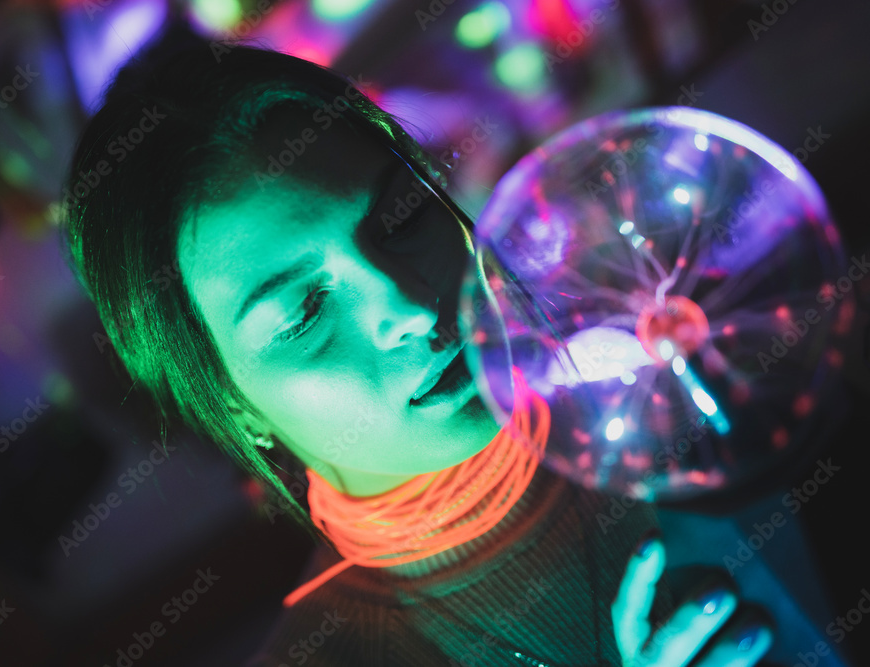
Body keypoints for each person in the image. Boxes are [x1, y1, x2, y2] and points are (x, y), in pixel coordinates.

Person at [60, 22, 777, 666]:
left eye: (400, 216)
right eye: (304, 311)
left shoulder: (686, 399)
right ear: (232, 401)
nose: (404, 303)